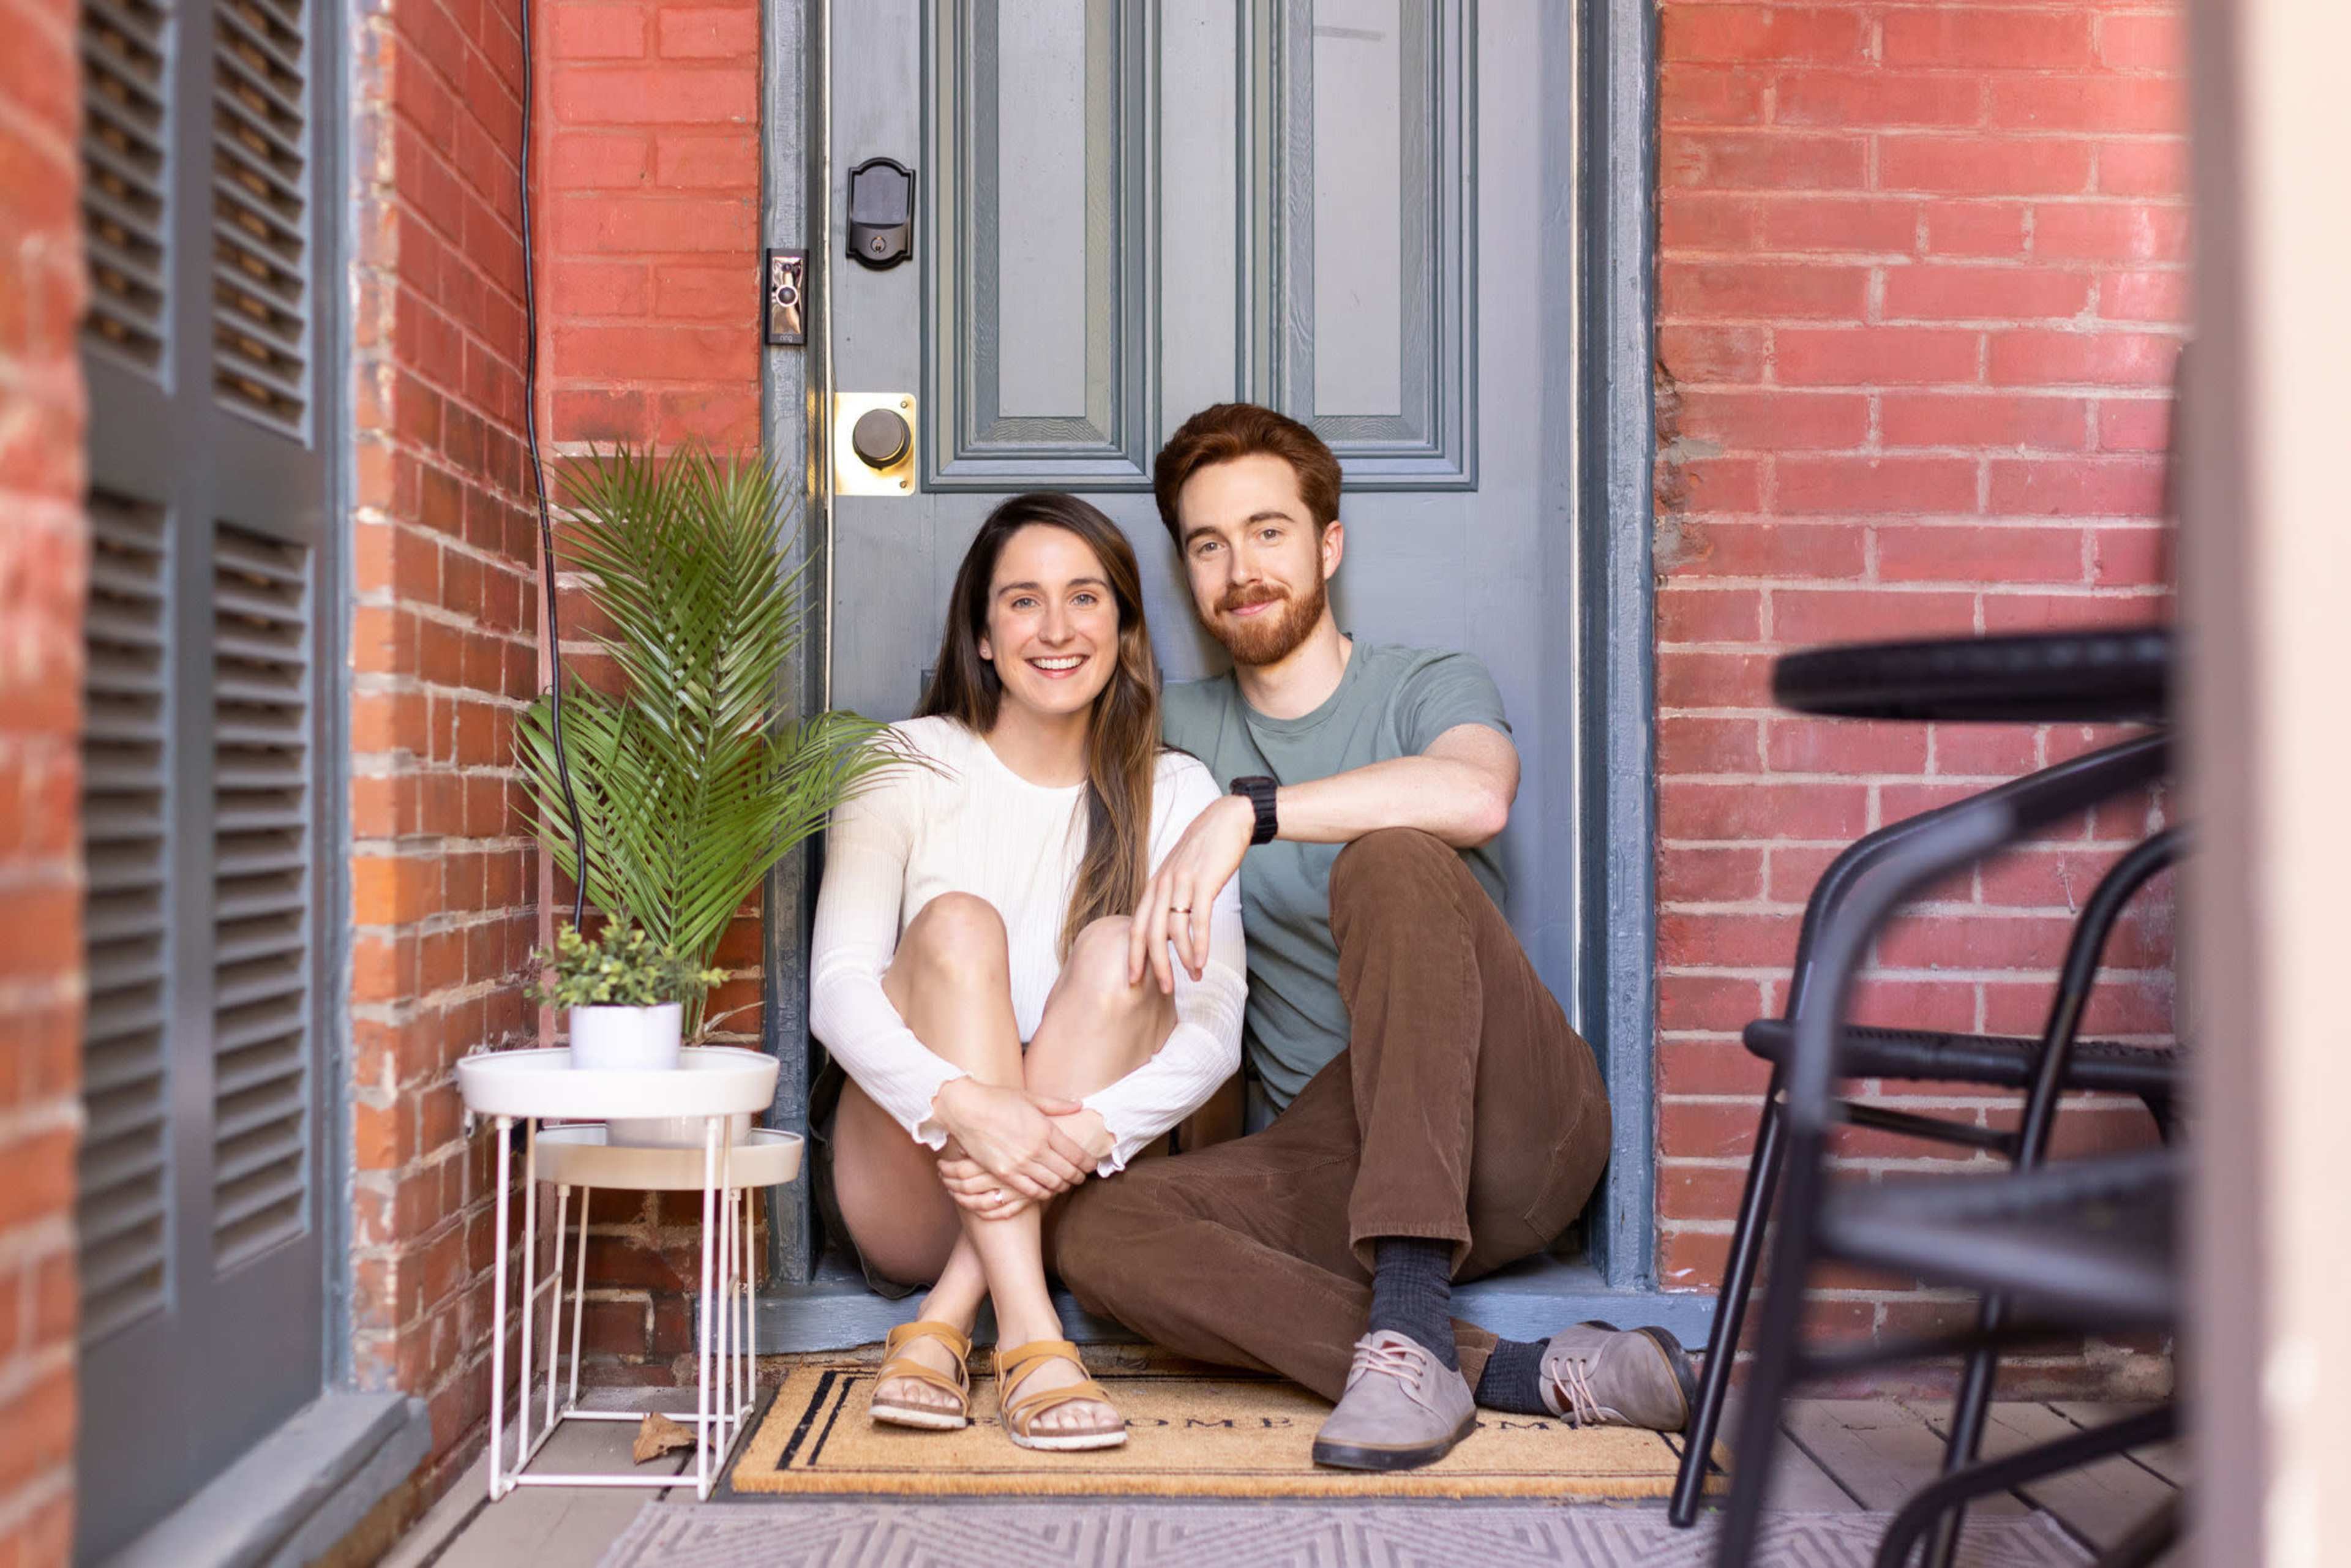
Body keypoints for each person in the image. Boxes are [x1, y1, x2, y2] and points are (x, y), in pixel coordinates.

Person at [1054, 403, 1694, 1472]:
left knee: (1392, 856)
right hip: (1330, 1149)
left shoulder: (1426, 682)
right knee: (1094, 1234)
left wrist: (1250, 811)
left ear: (1327, 545)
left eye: (1268, 531)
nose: (1240, 568)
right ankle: (1507, 1370)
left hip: (1509, 1121)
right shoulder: (1175, 732)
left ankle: (1406, 1298)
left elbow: (1479, 794)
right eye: (1207, 544)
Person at [807, 492, 1245, 1452]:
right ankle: (1037, 1336)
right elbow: (837, 990)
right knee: (960, 925)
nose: (1056, 628)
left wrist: (1090, 1127)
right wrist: (965, 1103)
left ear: (1125, 630)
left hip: (1073, 1183)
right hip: (908, 1181)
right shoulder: (905, 765)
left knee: (1112, 950)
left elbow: (1214, 1031)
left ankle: (954, 1315)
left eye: (1086, 598)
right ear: (984, 636)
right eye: (1023, 602)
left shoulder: (1179, 794)